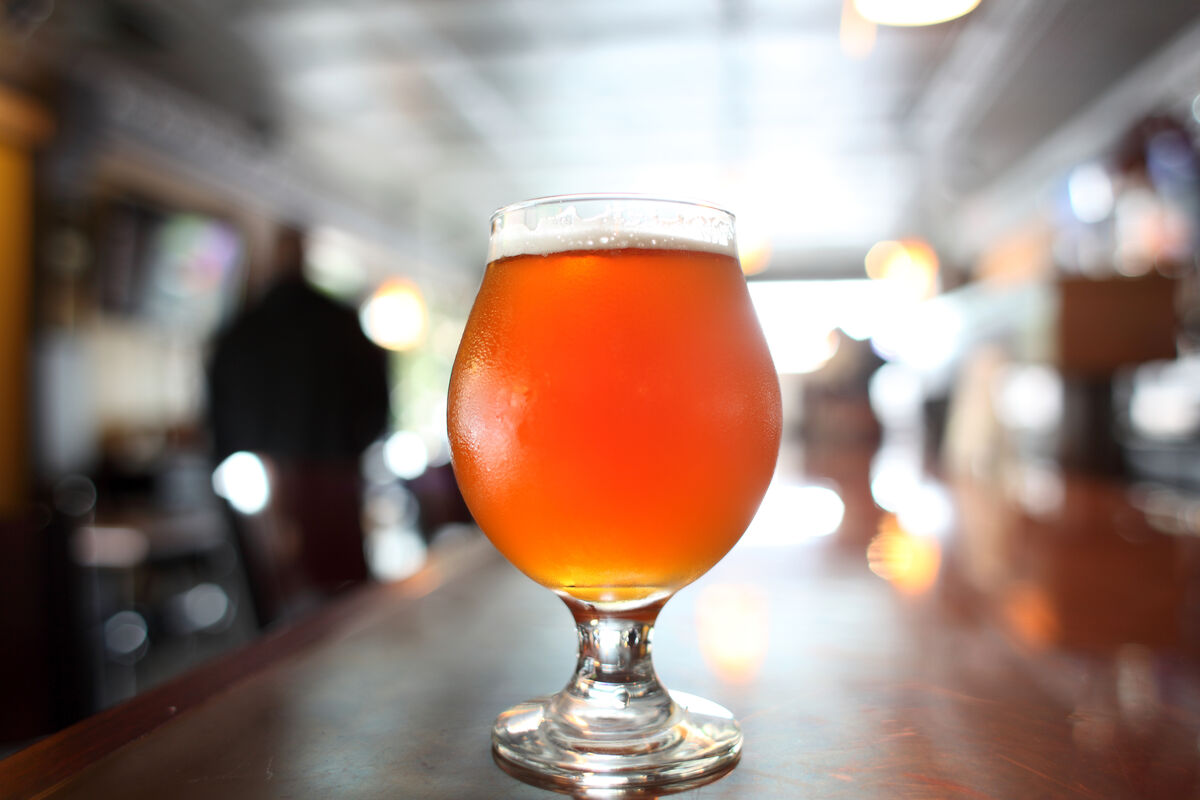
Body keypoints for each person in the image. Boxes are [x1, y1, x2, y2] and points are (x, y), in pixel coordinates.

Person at [208, 226, 390, 625]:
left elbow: (216, 424)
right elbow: (379, 407)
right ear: (305, 255)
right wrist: (353, 450)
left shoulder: (240, 330)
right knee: (346, 604)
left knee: (275, 603)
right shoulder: (342, 323)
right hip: (336, 481)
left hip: (261, 489)